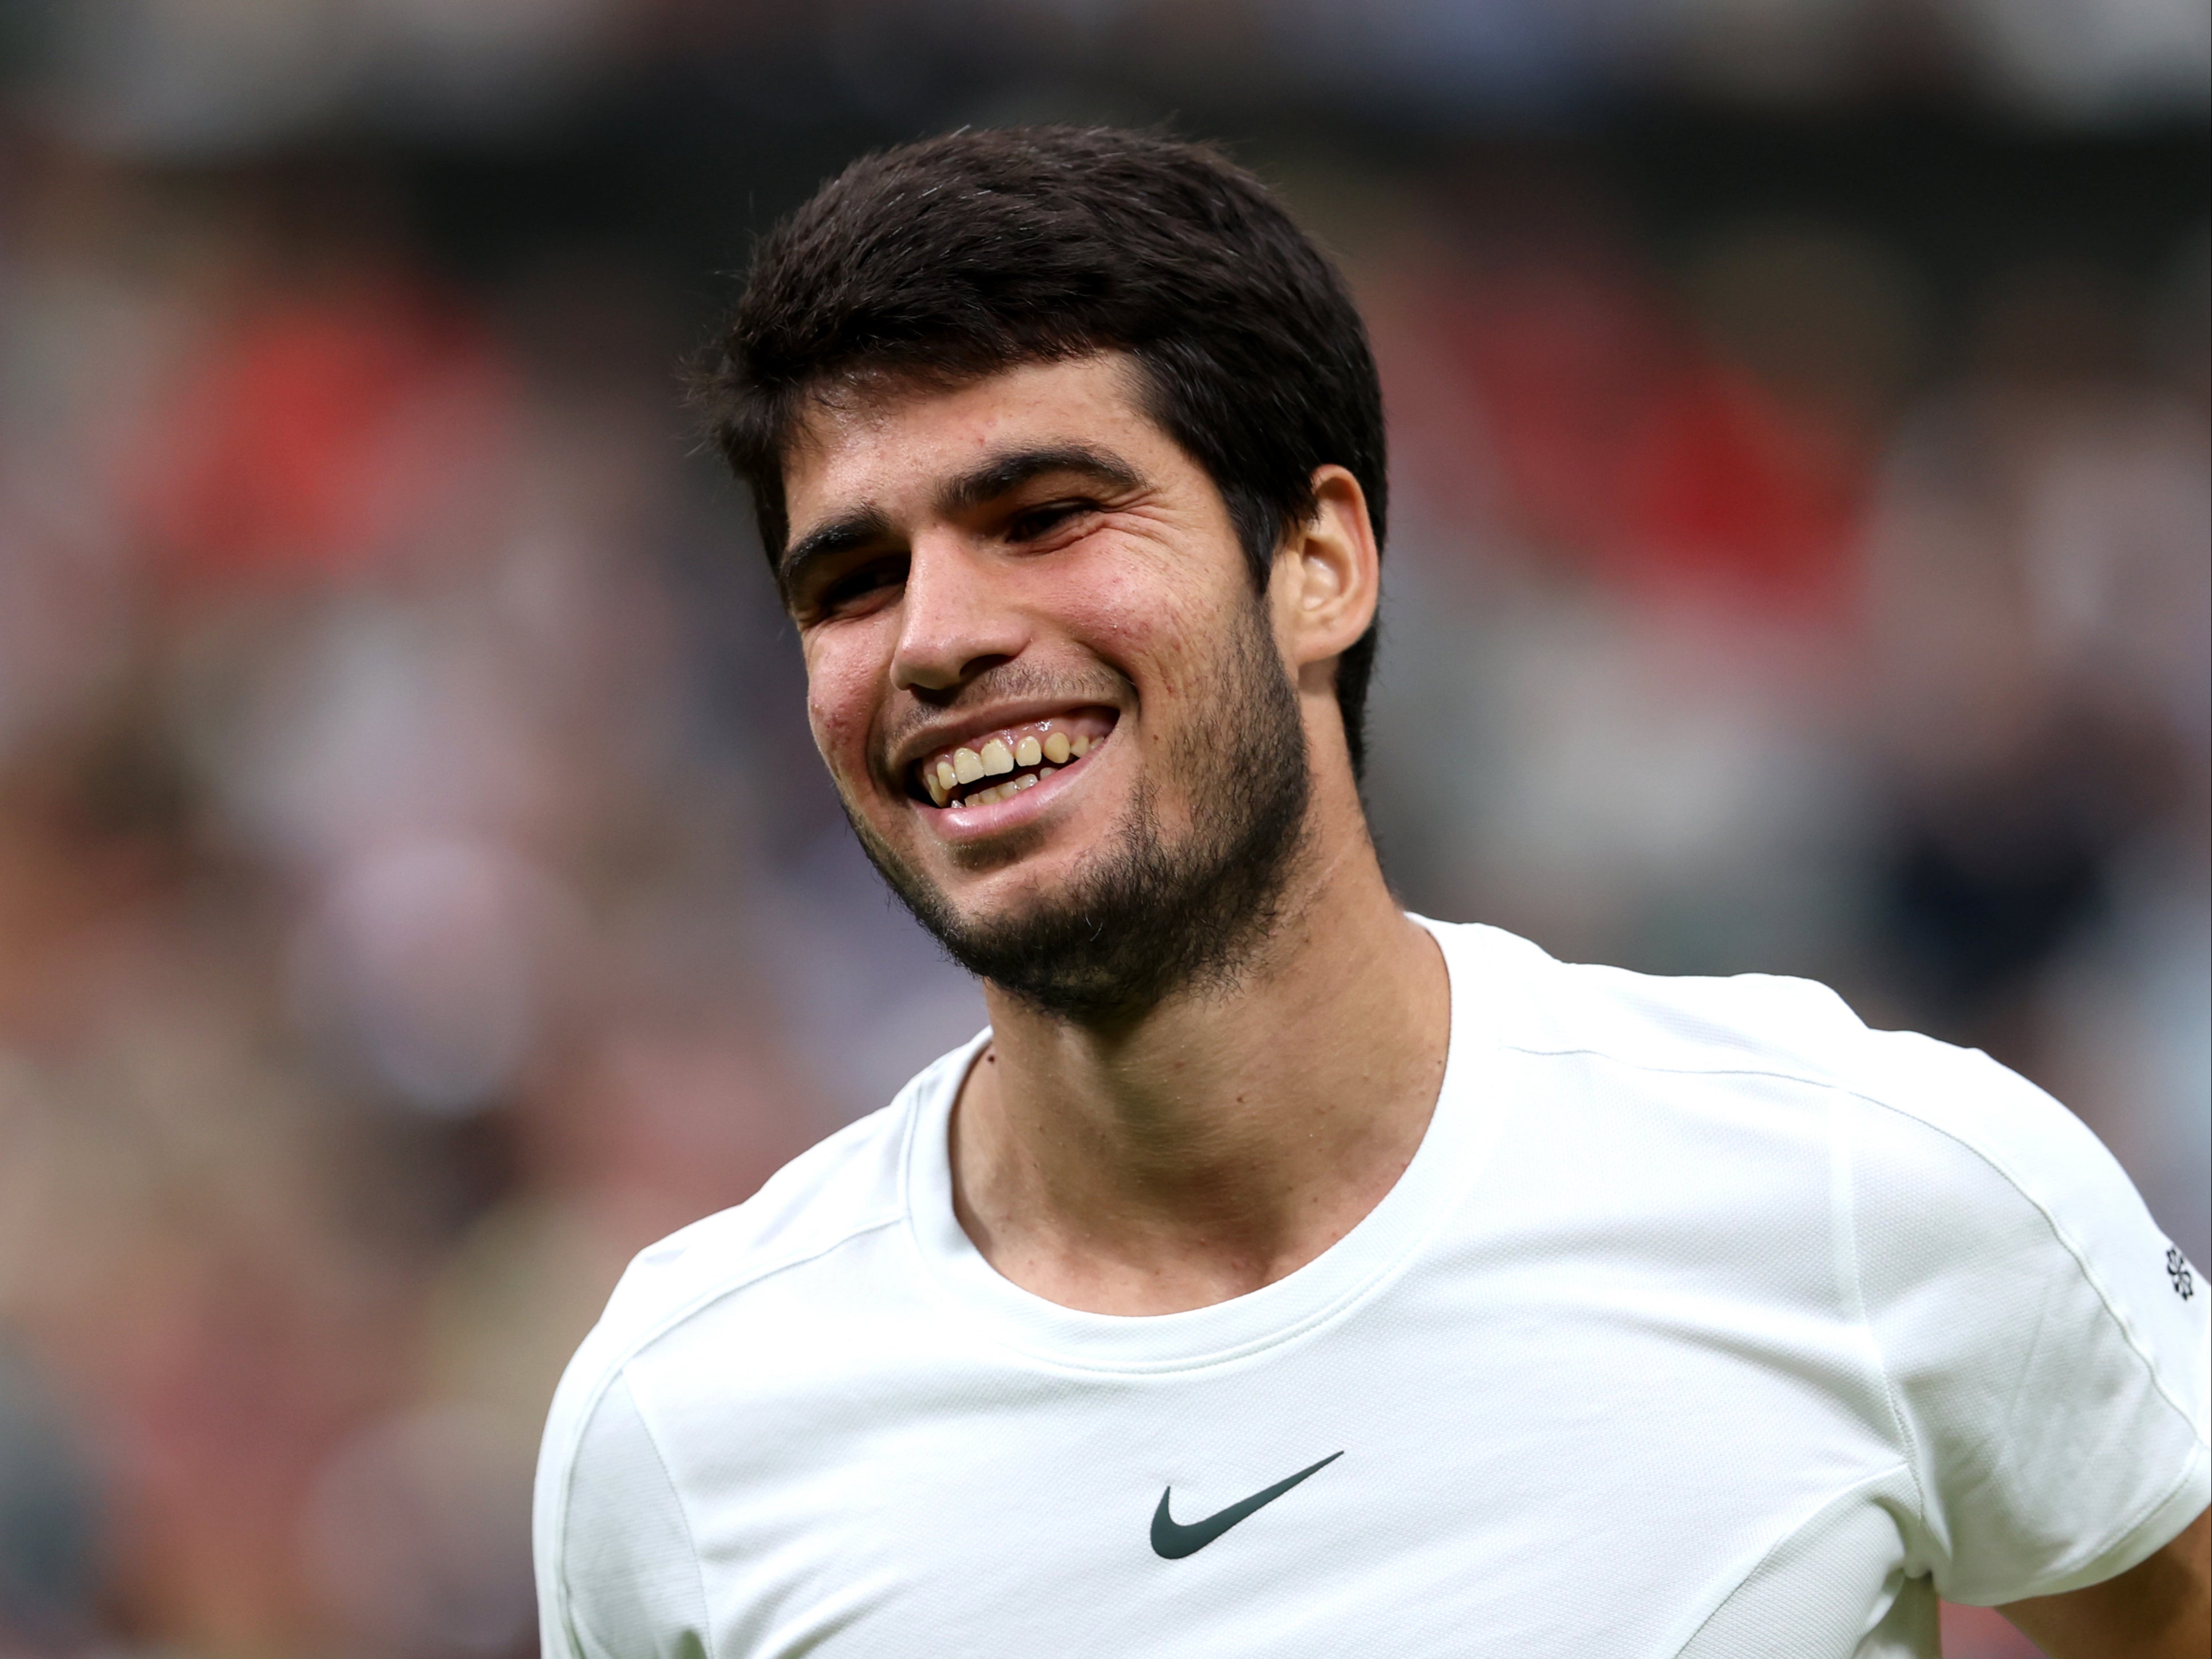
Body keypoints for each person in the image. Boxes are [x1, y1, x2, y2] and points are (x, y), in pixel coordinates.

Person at [533, 127, 2209, 1657]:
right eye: (850, 577)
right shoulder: (684, 1423)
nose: (936, 636)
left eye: (1044, 514)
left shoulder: (1868, 1185)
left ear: (1319, 562)